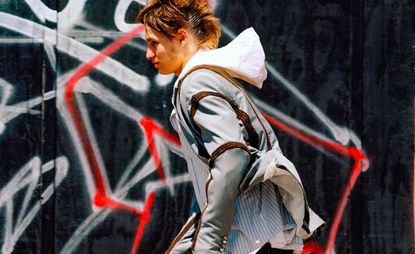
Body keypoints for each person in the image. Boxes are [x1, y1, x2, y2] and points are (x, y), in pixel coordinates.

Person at [136, 0, 324, 253]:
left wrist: (210, 243)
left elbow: (232, 159)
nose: (148, 54)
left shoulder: (196, 82)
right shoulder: (208, 77)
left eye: (153, 42)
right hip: (259, 235)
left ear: (181, 37)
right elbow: (215, 175)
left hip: (253, 239)